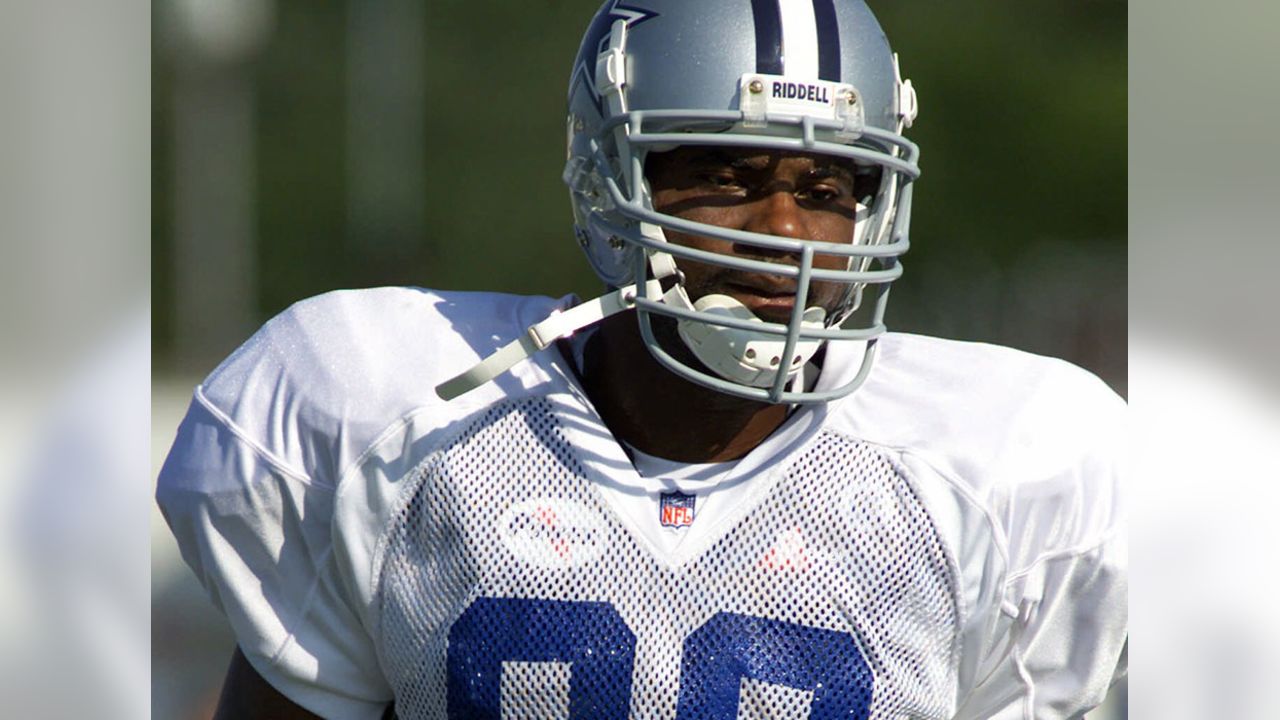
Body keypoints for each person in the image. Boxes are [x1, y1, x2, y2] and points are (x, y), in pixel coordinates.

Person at [157, 1, 1126, 718]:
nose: (782, 231)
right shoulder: (391, 414)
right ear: (605, 173)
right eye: (723, 175)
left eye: (827, 186)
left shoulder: (996, 467)